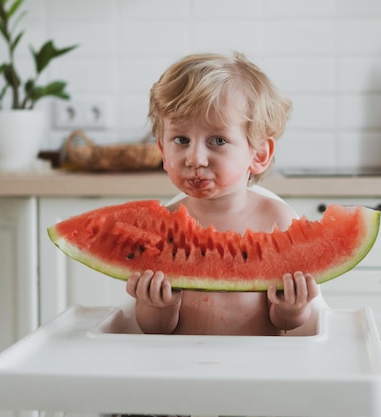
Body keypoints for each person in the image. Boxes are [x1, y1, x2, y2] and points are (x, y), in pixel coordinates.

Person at [126, 52, 319, 336]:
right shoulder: (159, 228)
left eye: (218, 140)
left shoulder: (276, 220)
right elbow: (154, 331)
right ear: (163, 152)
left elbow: (286, 324)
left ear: (259, 154)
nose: (195, 158)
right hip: (183, 372)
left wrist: (293, 307)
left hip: (255, 369)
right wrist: (157, 306)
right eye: (181, 139)